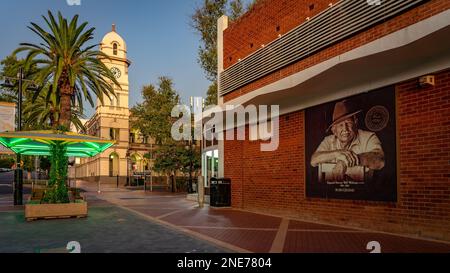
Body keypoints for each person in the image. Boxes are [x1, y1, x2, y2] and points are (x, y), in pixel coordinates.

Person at [311, 100, 385, 182]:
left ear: (355, 122)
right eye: (340, 125)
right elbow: (313, 160)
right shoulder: (328, 140)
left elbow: (380, 160)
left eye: (348, 123)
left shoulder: (368, 137)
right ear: (334, 130)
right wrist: (338, 153)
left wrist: (346, 161)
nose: (345, 129)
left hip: (362, 193)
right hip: (333, 192)